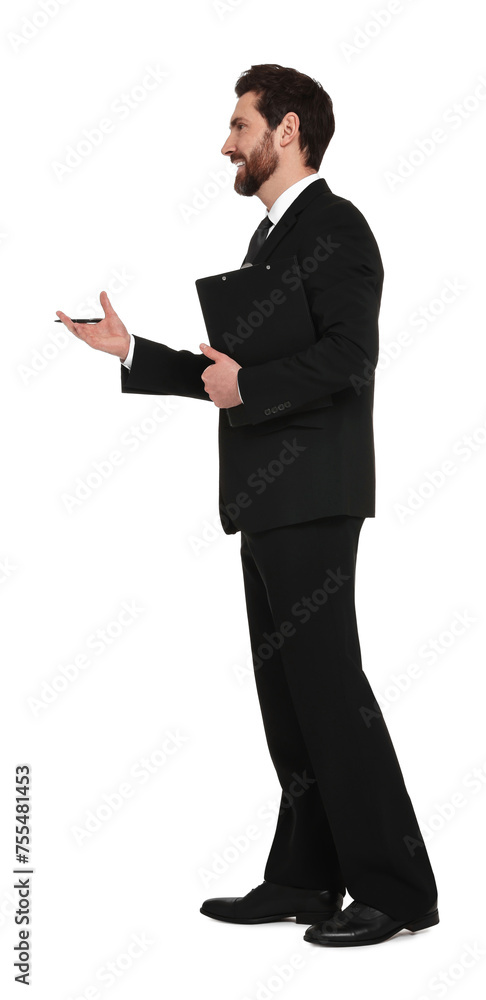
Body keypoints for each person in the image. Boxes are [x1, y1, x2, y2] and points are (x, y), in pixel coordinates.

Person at [57, 63, 439, 947]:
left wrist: (250, 381)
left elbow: (348, 360)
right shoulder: (272, 240)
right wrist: (132, 352)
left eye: (239, 125)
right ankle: (306, 881)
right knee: (287, 694)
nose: (226, 143)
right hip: (270, 502)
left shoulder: (335, 228)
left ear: (289, 130)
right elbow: (233, 382)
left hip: (313, 497)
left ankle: (398, 889)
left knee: (330, 691)